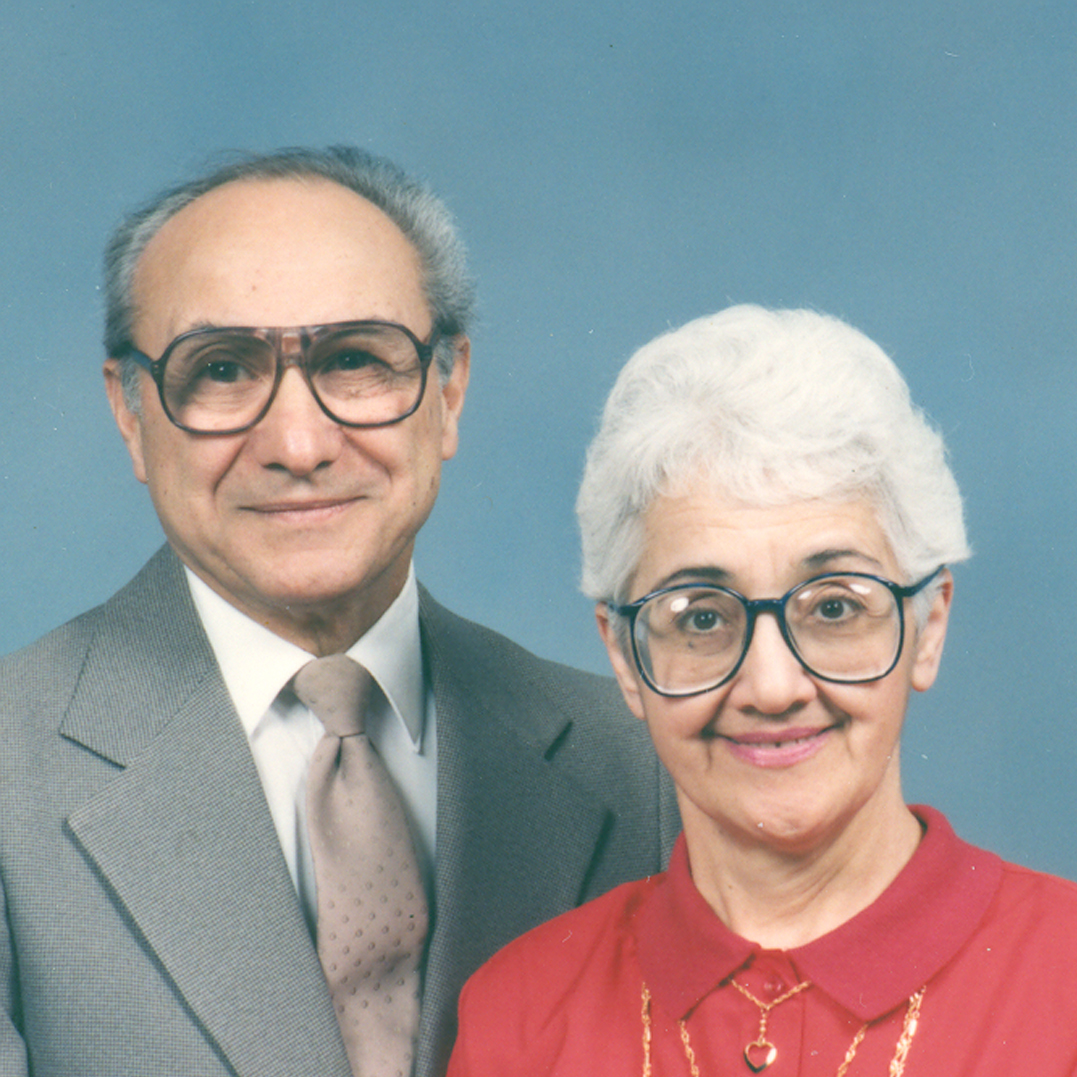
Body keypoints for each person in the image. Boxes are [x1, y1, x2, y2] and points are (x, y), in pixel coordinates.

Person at [0, 146, 678, 1077]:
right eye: (224, 369)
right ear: (129, 412)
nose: (299, 442)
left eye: (356, 360)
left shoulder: (643, 761)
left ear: (447, 391)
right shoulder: (11, 768)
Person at [448, 305, 1077, 1077]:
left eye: (835, 607)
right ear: (623, 655)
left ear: (928, 626)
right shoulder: (519, 1013)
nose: (772, 685)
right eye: (702, 617)